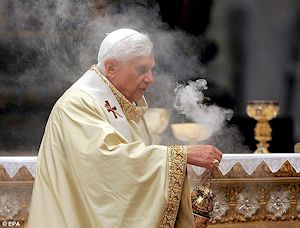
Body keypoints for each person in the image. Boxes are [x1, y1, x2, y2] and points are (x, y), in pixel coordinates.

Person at [28, 28, 222, 228]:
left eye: (151, 69)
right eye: (142, 70)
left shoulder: (127, 105)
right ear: (111, 67)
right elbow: (106, 165)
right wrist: (180, 156)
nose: (150, 78)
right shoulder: (77, 104)